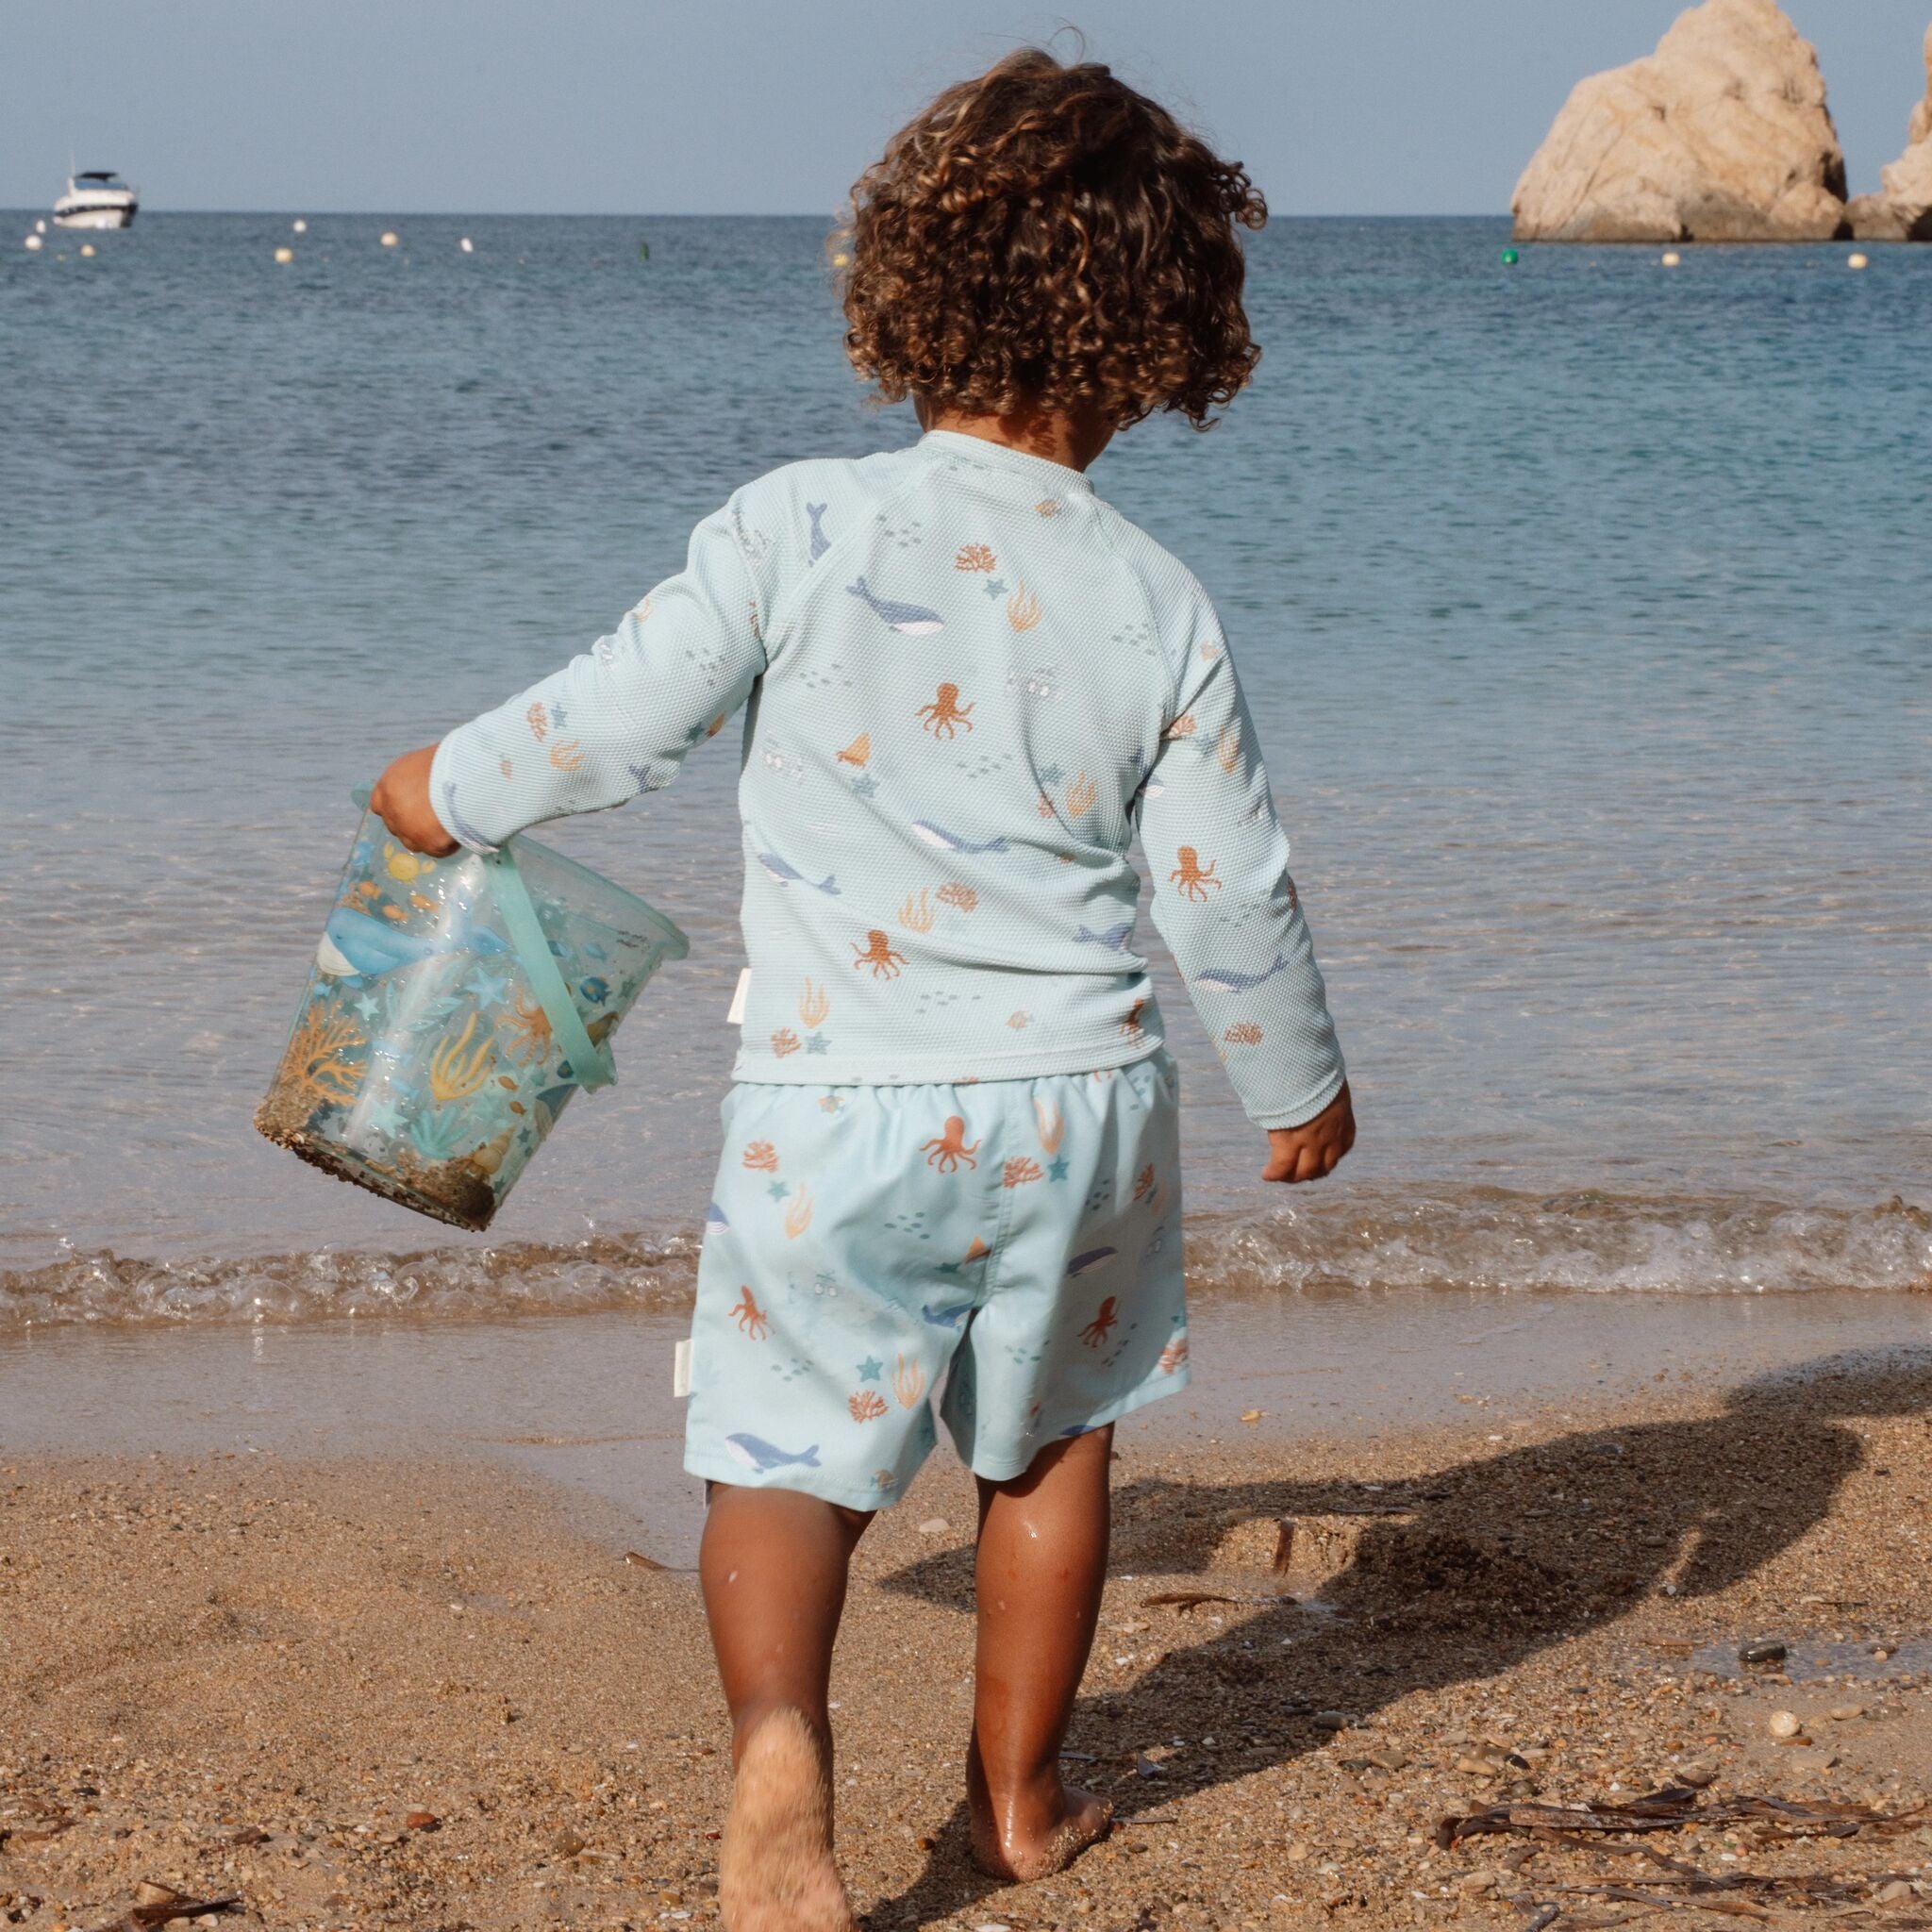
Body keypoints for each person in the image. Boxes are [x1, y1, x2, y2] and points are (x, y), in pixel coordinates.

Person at [372, 46, 1355, 1931]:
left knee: (780, 1452)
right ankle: (1017, 1805)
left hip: (831, 1105)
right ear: (1163, 333)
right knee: (1049, 1448)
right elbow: (1224, 885)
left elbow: (614, 720)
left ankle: (778, 1754)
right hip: (1079, 1104)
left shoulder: (795, 523)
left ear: (910, 282)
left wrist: (449, 786)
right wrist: (1297, 1081)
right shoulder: (1155, 596)